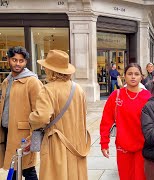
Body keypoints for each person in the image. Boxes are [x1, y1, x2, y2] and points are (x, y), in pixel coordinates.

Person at [29, 50, 90, 180]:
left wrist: (31, 118)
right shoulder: (78, 88)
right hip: (77, 144)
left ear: (51, 70)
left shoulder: (48, 89)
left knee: (57, 175)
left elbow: (42, 117)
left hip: (56, 143)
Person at [100, 63, 151, 180]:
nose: (133, 77)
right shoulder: (116, 95)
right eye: (130, 74)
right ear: (124, 76)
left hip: (143, 146)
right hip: (123, 146)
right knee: (125, 177)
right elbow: (106, 120)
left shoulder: (148, 96)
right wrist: (104, 142)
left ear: (141, 77)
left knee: (141, 177)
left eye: (136, 74)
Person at [0, 46, 42, 180]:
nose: (17, 63)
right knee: (14, 167)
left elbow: (39, 111)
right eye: (14, 60)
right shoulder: (6, 81)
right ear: (8, 60)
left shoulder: (32, 81)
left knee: (28, 170)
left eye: (21, 61)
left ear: (25, 62)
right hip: (7, 131)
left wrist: (34, 138)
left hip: (24, 135)